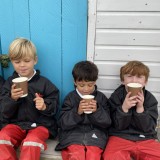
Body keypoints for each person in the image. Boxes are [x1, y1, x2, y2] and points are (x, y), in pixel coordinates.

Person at [0, 38, 59, 160]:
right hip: (16, 124)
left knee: (31, 142)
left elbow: (54, 105)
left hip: (40, 125)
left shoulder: (44, 83)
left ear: (35, 60)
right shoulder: (9, 84)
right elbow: (3, 112)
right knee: (2, 138)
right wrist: (12, 99)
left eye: (27, 61)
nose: (22, 65)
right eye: (17, 61)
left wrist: (44, 106)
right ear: (11, 62)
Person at [103, 60, 160, 160]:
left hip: (145, 138)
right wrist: (124, 109)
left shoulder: (150, 99)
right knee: (110, 157)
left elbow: (149, 128)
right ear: (123, 80)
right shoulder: (116, 97)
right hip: (120, 136)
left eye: (139, 77)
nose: (134, 80)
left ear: (145, 82)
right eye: (129, 76)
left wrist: (140, 108)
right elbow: (116, 126)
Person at [56, 60, 111, 160]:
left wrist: (97, 111)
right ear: (75, 82)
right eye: (81, 85)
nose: (86, 89)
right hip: (72, 135)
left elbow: (107, 123)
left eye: (90, 85)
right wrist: (77, 112)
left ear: (95, 82)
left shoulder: (101, 98)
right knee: (76, 156)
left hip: (95, 135)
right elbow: (62, 123)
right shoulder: (70, 98)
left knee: (93, 155)